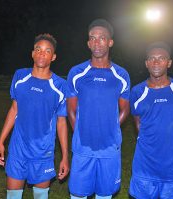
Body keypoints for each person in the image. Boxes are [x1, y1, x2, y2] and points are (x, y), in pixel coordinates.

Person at [0, 33, 69, 199]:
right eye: (38, 49)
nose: (42, 53)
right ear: (32, 53)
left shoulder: (60, 86)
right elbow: (14, 109)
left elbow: (62, 122)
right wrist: (1, 141)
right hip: (18, 150)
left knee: (40, 196)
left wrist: (65, 156)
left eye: (47, 51)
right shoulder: (20, 76)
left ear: (53, 57)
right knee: (13, 196)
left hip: (43, 152)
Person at [67, 19, 131, 199]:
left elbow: (125, 108)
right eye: (92, 38)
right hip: (83, 147)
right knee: (78, 194)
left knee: (105, 194)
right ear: (88, 43)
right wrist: (80, 130)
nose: (97, 42)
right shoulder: (76, 72)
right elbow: (71, 109)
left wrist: (111, 127)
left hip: (109, 147)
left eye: (102, 38)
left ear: (110, 42)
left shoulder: (121, 75)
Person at [129, 41, 173, 199]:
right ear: (146, 63)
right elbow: (138, 123)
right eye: (152, 58)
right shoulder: (137, 92)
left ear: (169, 63)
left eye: (161, 58)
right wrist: (151, 141)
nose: (156, 62)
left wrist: (169, 140)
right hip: (144, 166)